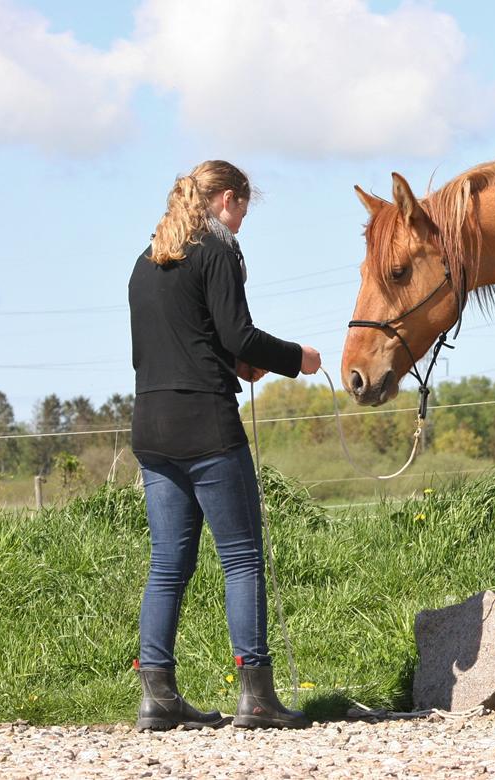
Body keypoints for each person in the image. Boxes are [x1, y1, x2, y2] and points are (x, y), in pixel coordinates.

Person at [128, 160, 322, 730]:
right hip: (206, 424)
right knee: (240, 557)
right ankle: (257, 697)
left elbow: (184, 341)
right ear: (228, 200)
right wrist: (295, 360)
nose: (242, 222)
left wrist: (236, 363)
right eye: (242, 210)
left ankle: (158, 696)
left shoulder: (146, 262)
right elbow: (238, 334)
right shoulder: (217, 253)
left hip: (150, 425)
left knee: (167, 563)